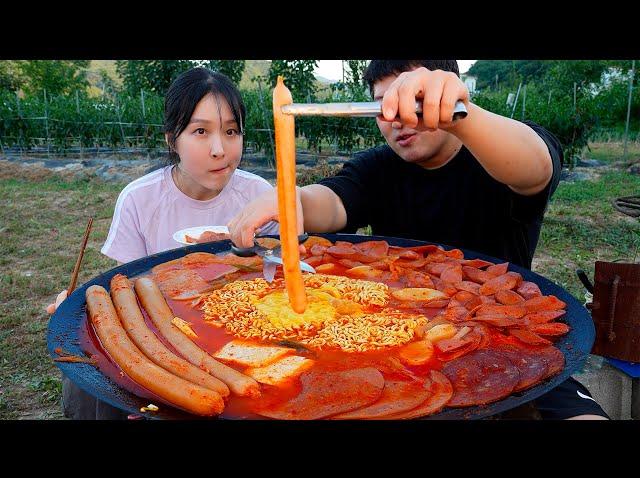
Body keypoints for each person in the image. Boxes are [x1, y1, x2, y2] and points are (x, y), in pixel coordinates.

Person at [228, 60, 609, 420]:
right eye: (380, 106)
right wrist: (292, 199)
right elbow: (334, 200)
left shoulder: (496, 148)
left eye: (412, 102)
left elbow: (535, 167)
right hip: (391, 361)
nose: (396, 119)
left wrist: (464, 115)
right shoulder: (378, 168)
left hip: (509, 352)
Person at [46, 67, 277, 419]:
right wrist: (81, 309)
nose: (220, 149)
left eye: (232, 131)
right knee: (87, 381)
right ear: (172, 139)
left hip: (246, 328)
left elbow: (277, 271)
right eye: (201, 131)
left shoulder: (260, 196)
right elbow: (125, 293)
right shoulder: (140, 199)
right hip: (162, 339)